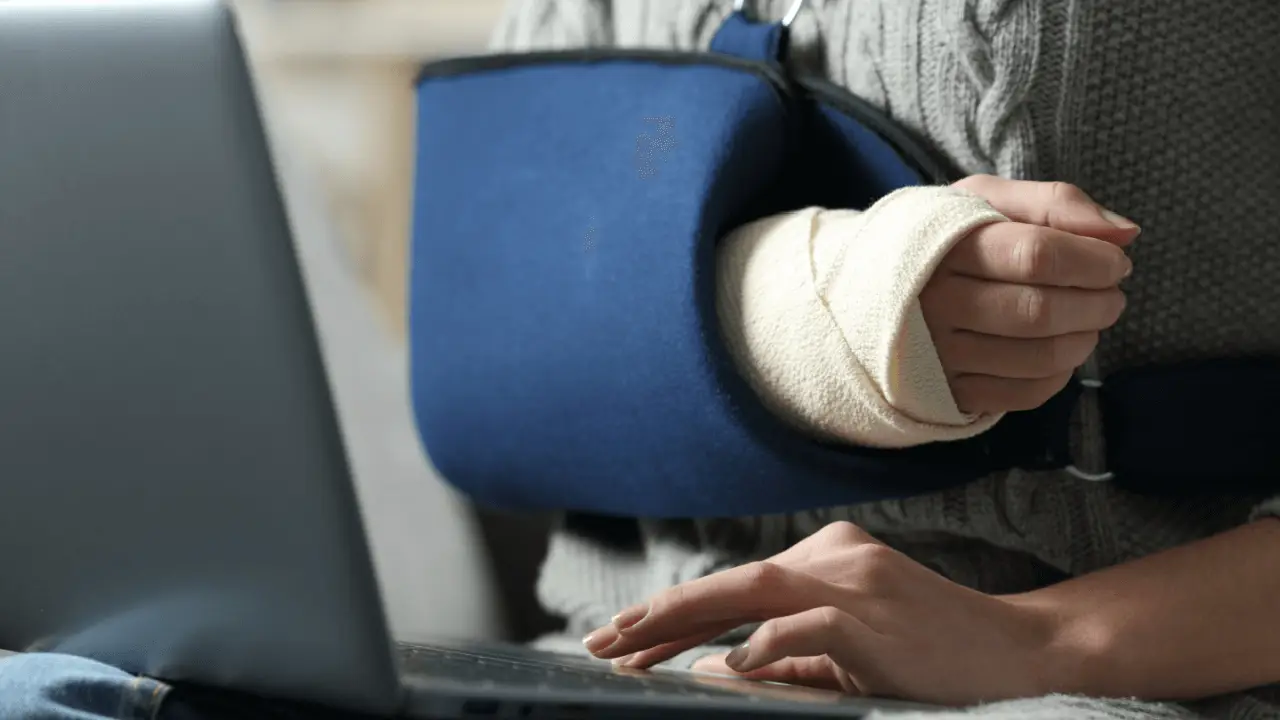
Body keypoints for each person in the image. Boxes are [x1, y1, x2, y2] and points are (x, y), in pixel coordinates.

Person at [4, 0, 1279, 718]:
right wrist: (784, 312)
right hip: (605, 674)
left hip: (1082, 681)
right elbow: (496, 335)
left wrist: (1044, 646)